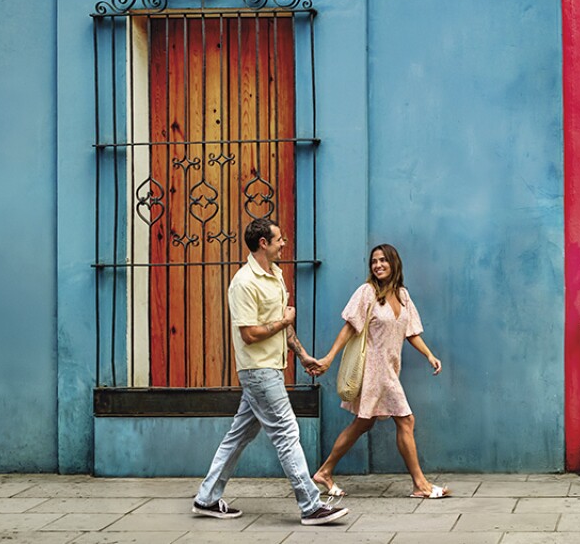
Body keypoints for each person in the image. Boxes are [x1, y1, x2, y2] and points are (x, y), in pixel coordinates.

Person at [192, 217, 349, 525]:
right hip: (258, 370)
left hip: (271, 368)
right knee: (287, 433)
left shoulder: (275, 274)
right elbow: (250, 334)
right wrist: (284, 321)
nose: (284, 244)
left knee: (238, 436)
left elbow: (281, 325)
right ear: (263, 243)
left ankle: (206, 498)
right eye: (279, 239)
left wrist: (302, 355)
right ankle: (311, 506)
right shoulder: (244, 283)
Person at [307, 243, 451, 499]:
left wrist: (430, 355)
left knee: (363, 422)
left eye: (383, 260)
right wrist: (329, 358)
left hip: (390, 368)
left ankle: (324, 471)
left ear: (394, 263)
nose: (378, 265)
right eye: (374, 261)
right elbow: (349, 327)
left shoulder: (403, 295)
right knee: (406, 420)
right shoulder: (367, 292)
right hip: (374, 370)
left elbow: (411, 332)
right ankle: (420, 484)